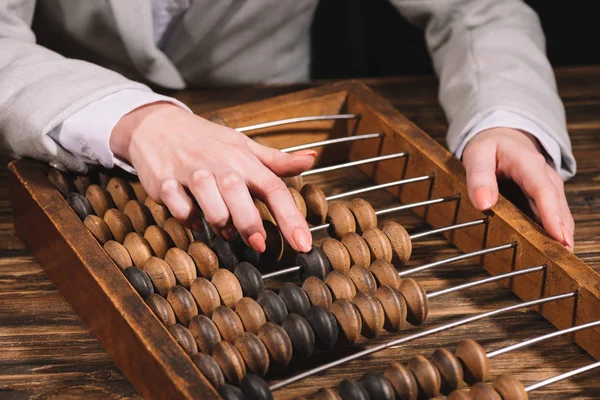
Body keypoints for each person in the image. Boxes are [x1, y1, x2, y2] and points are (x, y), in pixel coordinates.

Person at [0, 1, 575, 255]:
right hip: (69, 125)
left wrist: (507, 118)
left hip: (273, 123)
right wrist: (134, 118)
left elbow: (476, 9)